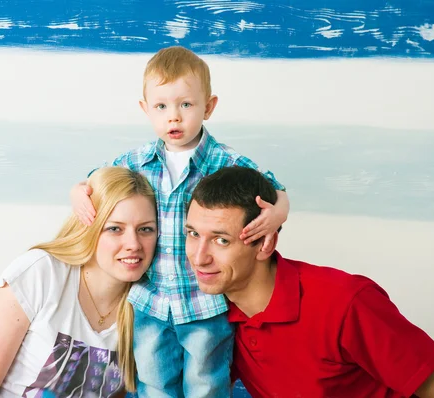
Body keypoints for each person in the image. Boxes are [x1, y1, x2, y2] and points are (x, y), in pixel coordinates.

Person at [71, 46, 290, 397]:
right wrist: (78, 192)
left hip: (204, 301)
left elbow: (274, 188)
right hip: (151, 299)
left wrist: (278, 212)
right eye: (161, 107)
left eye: (186, 105)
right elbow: (96, 181)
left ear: (209, 106)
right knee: (153, 381)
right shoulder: (135, 160)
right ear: (146, 109)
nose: (174, 117)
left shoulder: (226, 161)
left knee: (206, 381)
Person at [184, 166, 434, 398]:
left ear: (264, 243)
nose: (199, 258)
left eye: (221, 240)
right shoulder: (208, 310)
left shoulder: (345, 303)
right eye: (193, 234)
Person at [0, 167, 158, 398]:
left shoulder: (147, 310)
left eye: (145, 229)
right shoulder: (40, 273)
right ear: (89, 227)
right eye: (115, 229)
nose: (133, 244)